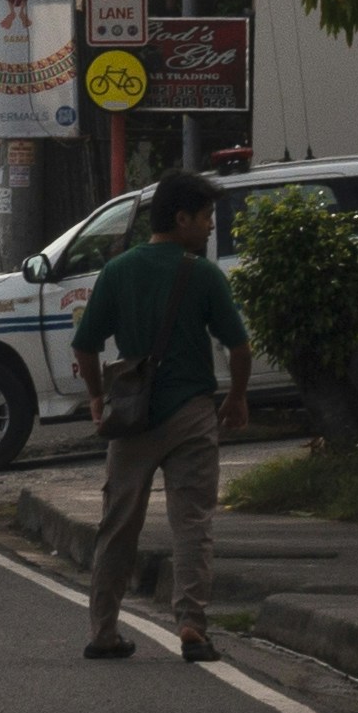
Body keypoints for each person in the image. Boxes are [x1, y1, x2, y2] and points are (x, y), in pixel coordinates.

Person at [69, 166, 252, 663]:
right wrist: (236, 396)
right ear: (182, 217)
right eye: (207, 217)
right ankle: (192, 624)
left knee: (119, 524)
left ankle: (103, 630)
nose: (212, 227)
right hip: (192, 413)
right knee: (192, 523)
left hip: (131, 416)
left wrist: (96, 397)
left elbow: (86, 347)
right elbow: (238, 346)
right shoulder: (205, 274)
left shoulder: (118, 271)